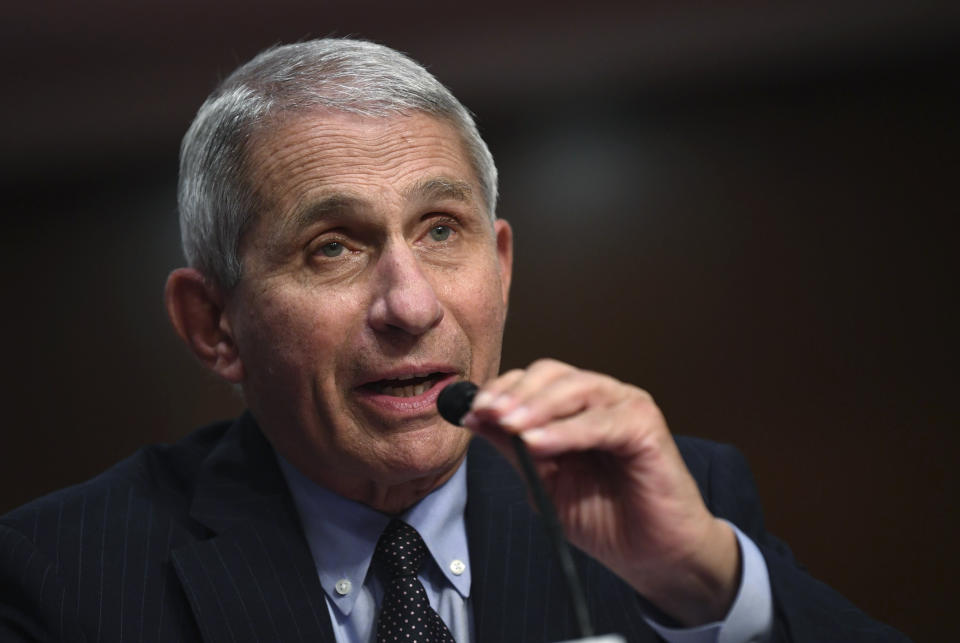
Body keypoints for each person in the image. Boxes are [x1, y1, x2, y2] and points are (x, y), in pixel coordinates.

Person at [0, 39, 908, 643]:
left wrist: (707, 584)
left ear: (501, 266)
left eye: (441, 230)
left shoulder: (687, 502)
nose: (410, 303)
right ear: (214, 325)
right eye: (333, 248)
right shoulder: (59, 577)